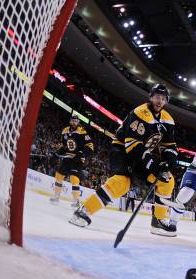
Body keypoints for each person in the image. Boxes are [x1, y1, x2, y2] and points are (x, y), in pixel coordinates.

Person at [69, 84, 179, 237]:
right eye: (156, 97)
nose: (159, 101)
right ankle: (83, 211)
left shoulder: (168, 120)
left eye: (162, 98)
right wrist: (154, 163)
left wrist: (169, 161)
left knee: (167, 180)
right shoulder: (141, 113)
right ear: (150, 97)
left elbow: (169, 144)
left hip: (142, 153)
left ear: (166, 101)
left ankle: (158, 222)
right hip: (122, 149)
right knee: (122, 182)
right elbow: (132, 145)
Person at [50, 114, 94, 207]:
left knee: (74, 178)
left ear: (78, 122)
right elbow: (64, 146)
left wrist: (82, 153)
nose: (74, 123)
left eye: (76, 121)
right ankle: (56, 196)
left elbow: (90, 146)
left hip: (78, 158)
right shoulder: (65, 131)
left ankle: (76, 201)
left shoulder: (82, 132)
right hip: (68, 157)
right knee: (59, 175)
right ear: (70, 121)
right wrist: (59, 151)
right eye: (73, 121)